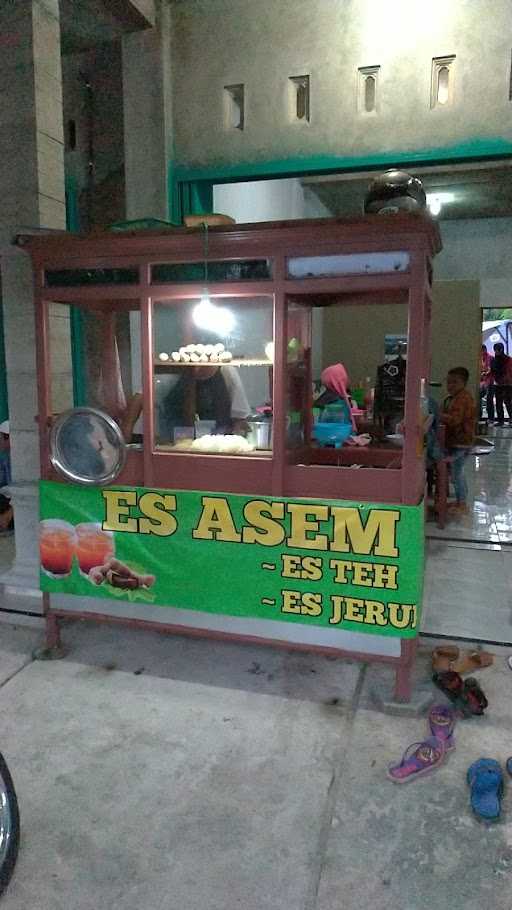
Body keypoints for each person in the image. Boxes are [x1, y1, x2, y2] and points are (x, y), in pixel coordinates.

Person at [122, 364, 251, 443]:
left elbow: (240, 417)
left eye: (202, 366)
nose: (197, 368)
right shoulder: (175, 372)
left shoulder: (226, 371)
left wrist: (235, 441)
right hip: (176, 443)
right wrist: (126, 430)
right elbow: (140, 396)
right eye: (194, 365)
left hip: (217, 445)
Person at [442, 367, 476, 515]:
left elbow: (455, 420)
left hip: (461, 441)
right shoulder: (455, 398)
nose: (450, 386)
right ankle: (460, 501)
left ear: (464, 383)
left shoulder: (463, 399)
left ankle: (462, 503)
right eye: (448, 382)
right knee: (457, 471)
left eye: (454, 383)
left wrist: (438, 414)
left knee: (457, 473)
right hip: (459, 441)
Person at [490, 342, 512, 426]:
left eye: (498, 349)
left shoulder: (508, 359)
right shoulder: (494, 360)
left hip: (507, 384)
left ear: (502, 349)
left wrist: (505, 378)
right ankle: (500, 420)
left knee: (508, 402)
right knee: (499, 402)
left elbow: (509, 371)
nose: (496, 351)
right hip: (498, 383)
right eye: (495, 350)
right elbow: (493, 370)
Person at [480, 344, 494, 422]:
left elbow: (490, 369)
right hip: (482, 382)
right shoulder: (480, 358)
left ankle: (491, 418)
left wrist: (485, 373)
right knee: (479, 398)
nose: (481, 352)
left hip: (490, 382)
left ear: (484, 350)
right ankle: (480, 415)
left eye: (482, 350)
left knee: (489, 400)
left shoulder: (490, 357)